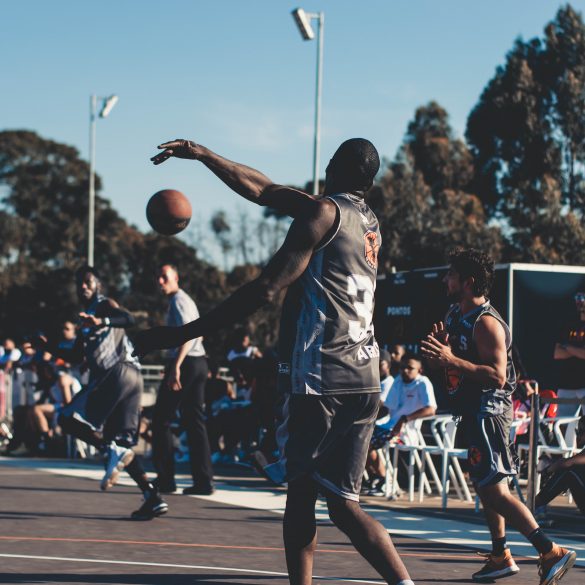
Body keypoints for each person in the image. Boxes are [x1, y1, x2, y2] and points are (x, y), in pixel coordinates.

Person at [134, 138, 415, 585]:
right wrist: (205, 155)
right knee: (344, 505)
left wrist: (179, 334)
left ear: (335, 168)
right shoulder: (367, 222)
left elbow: (265, 289)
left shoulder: (322, 213)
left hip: (324, 376)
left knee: (301, 497)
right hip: (364, 376)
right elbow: (264, 190)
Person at [421, 248, 575, 585]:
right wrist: (438, 352)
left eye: (451, 275)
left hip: (489, 414)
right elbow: (445, 365)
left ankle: (551, 551)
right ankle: (500, 555)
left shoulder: (486, 323)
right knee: (485, 484)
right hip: (471, 412)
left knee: (495, 490)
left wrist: (451, 358)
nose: (446, 279)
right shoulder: (454, 314)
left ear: (468, 282)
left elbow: (498, 376)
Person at [43, 265, 168, 520]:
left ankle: (110, 449)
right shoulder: (85, 317)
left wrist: (103, 321)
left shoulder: (103, 305)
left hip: (116, 374)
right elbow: (75, 355)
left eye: (88, 281)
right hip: (132, 378)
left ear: (97, 284)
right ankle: (152, 496)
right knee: (121, 445)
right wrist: (47, 347)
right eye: (79, 282)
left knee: (66, 418)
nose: (83, 286)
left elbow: (129, 319)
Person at [153, 263, 214, 495]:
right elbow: (198, 333)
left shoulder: (179, 301)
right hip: (197, 362)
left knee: (161, 420)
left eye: (165, 277)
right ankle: (204, 481)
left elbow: (189, 334)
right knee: (194, 421)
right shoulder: (184, 300)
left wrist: (176, 366)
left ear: (176, 278)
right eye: (159, 277)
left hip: (186, 363)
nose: (160, 281)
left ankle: (166, 480)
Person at [367, 354, 437, 495]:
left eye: (410, 368)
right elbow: (388, 408)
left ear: (420, 370)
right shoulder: (398, 381)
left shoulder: (423, 383)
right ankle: (381, 479)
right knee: (360, 438)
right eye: (402, 367)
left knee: (367, 443)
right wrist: (368, 421)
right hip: (390, 427)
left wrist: (404, 419)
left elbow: (431, 409)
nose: (405, 370)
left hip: (407, 432)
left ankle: (385, 481)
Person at [553, 291, 585, 417]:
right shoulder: (569, 324)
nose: (580, 302)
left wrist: (567, 347)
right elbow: (557, 353)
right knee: (562, 424)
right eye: (578, 299)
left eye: (583, 299)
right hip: (566, 385)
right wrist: (578, 350)